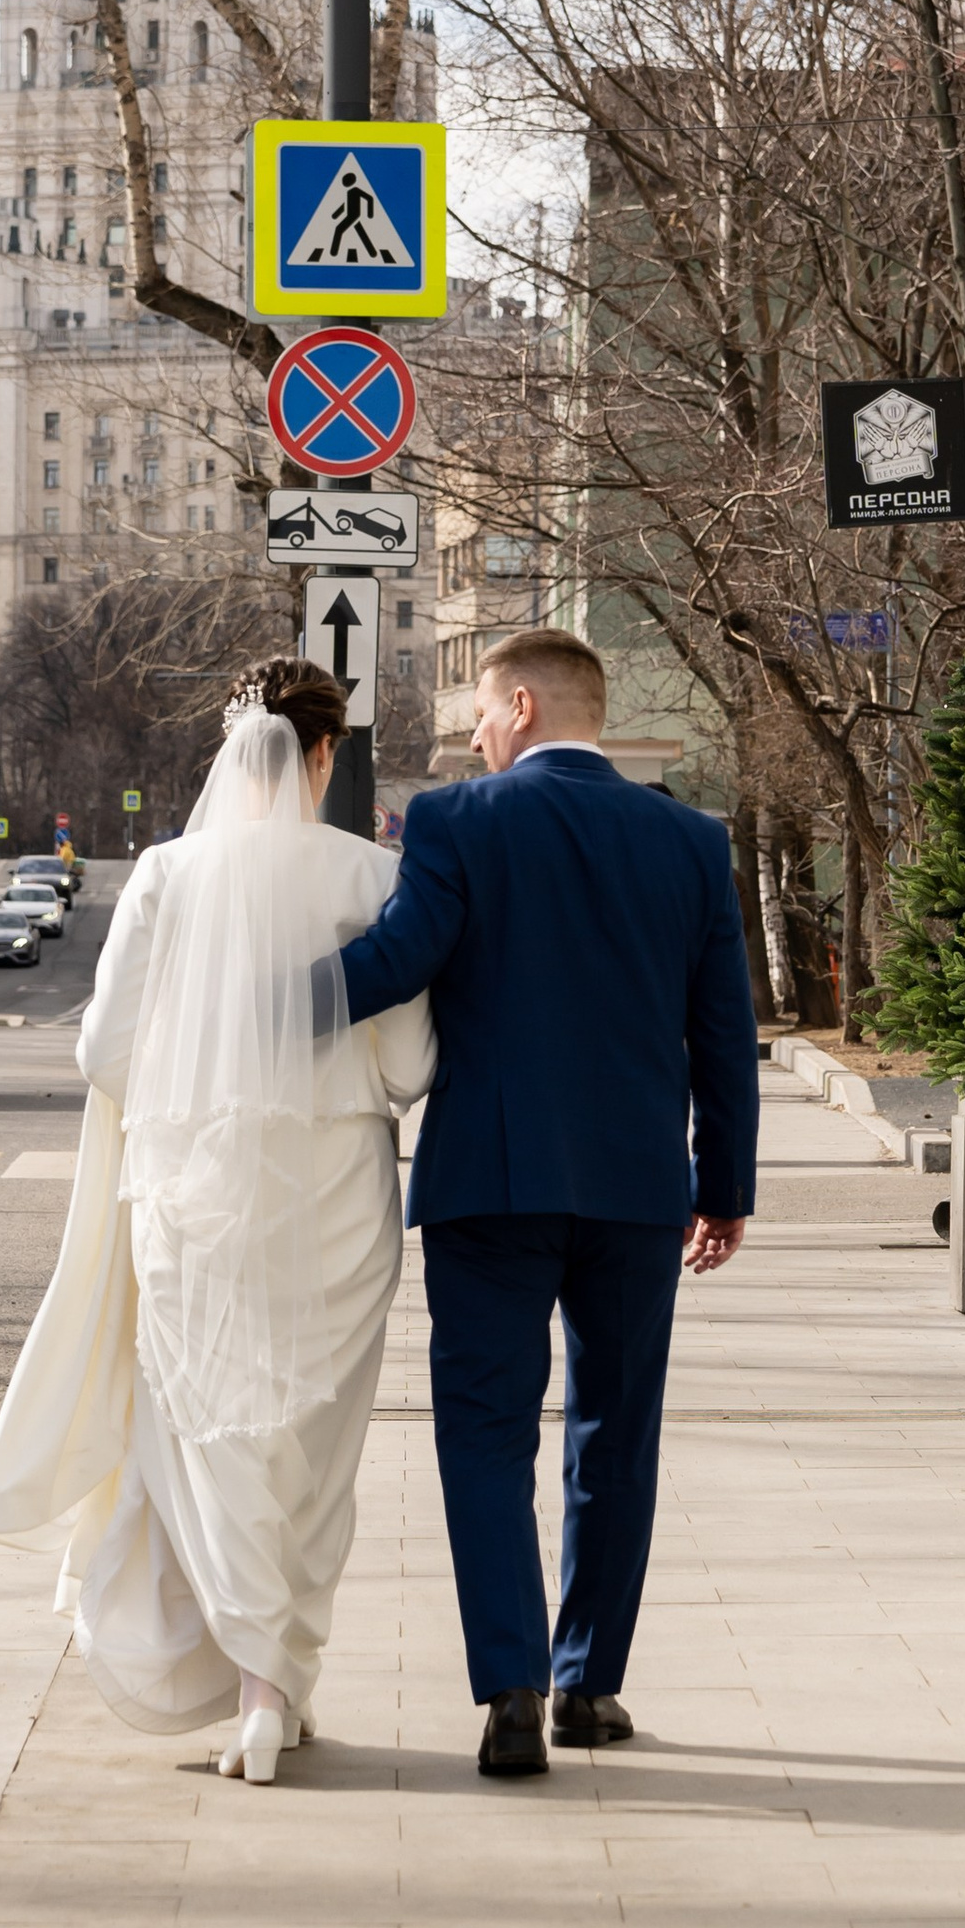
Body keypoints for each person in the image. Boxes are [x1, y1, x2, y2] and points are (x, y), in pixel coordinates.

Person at [0, 662, 433, 1784]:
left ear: (230, 751)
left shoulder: (168, 874)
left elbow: (103, 1052)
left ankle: (258, 1689)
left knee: (211, 1428)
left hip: (195, 1189)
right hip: (335, 1187)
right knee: (314, 1443)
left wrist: (198, 1075)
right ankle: (282, 1684)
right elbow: (411, 1068)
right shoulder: (375, 875)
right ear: (323, 754)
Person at [336, 625, 758, 1779]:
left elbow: (396, 961)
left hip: (489, 1184)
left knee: (483, 1436)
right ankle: (588, 1683)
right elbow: (724, 1034)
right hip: (636, 1191)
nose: (475, 735)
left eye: (479, 712)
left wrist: (256, 994)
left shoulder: (457, 822)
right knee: (614, 1433)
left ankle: (511, 1691)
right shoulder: (689, 842)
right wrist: (722, 1188)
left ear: (519, 706)